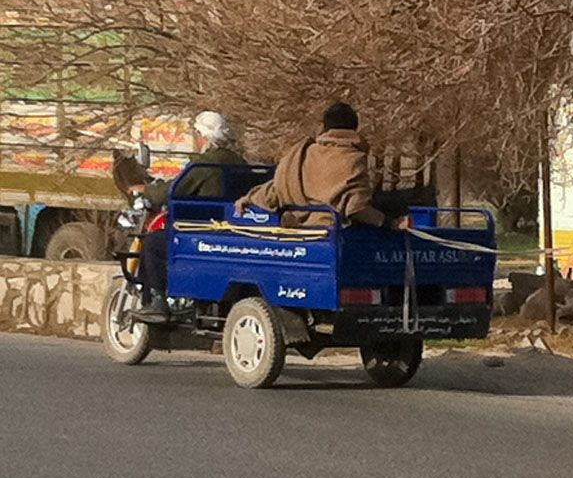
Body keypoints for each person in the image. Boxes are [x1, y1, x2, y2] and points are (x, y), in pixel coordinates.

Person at [130, 110, 247, 323]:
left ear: (204, 136)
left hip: (200, 235)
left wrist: (146, 190)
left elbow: (173, 191)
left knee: (154, 243)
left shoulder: (205, 164)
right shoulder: (240, 162)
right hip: (233, 234)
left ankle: (158, 303)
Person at [236, 102, 410, 228]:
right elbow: (356, 208)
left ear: (325, 128)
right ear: (354, 128)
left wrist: (248, 198)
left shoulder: (301, 154)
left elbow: (276, 190)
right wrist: (389, 223)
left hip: (294, 230)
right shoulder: (353, 158)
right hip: (332, 234)